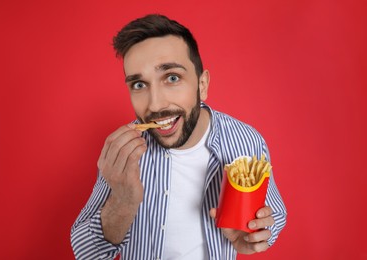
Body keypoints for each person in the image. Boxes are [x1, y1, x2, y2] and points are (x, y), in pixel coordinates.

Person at [70, 14, 287, 260]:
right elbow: (87, 252)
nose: (155, 103)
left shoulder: (245, 141)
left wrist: (254, 232)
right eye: (139, 85)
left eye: (172, 78)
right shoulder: (124, 152)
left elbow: (275, 214)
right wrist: (124, 199)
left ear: (202, 85)